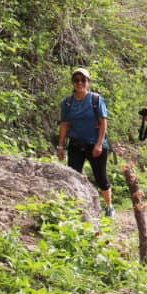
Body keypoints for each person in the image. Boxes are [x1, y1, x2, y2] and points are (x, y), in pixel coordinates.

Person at [57, 67, 115, 218]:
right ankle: (77, 207)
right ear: (72, 83)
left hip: (95, 144)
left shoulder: (96, 100)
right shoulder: (67, 103)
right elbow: (64, 125)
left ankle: (109, 206)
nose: (80, 83)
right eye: (76, 80)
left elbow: (103, 123)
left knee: (100, 177)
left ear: (88, 82)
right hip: (76, 144)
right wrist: (60, 145)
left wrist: (98, 144)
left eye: (83, 80)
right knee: (73, 176)